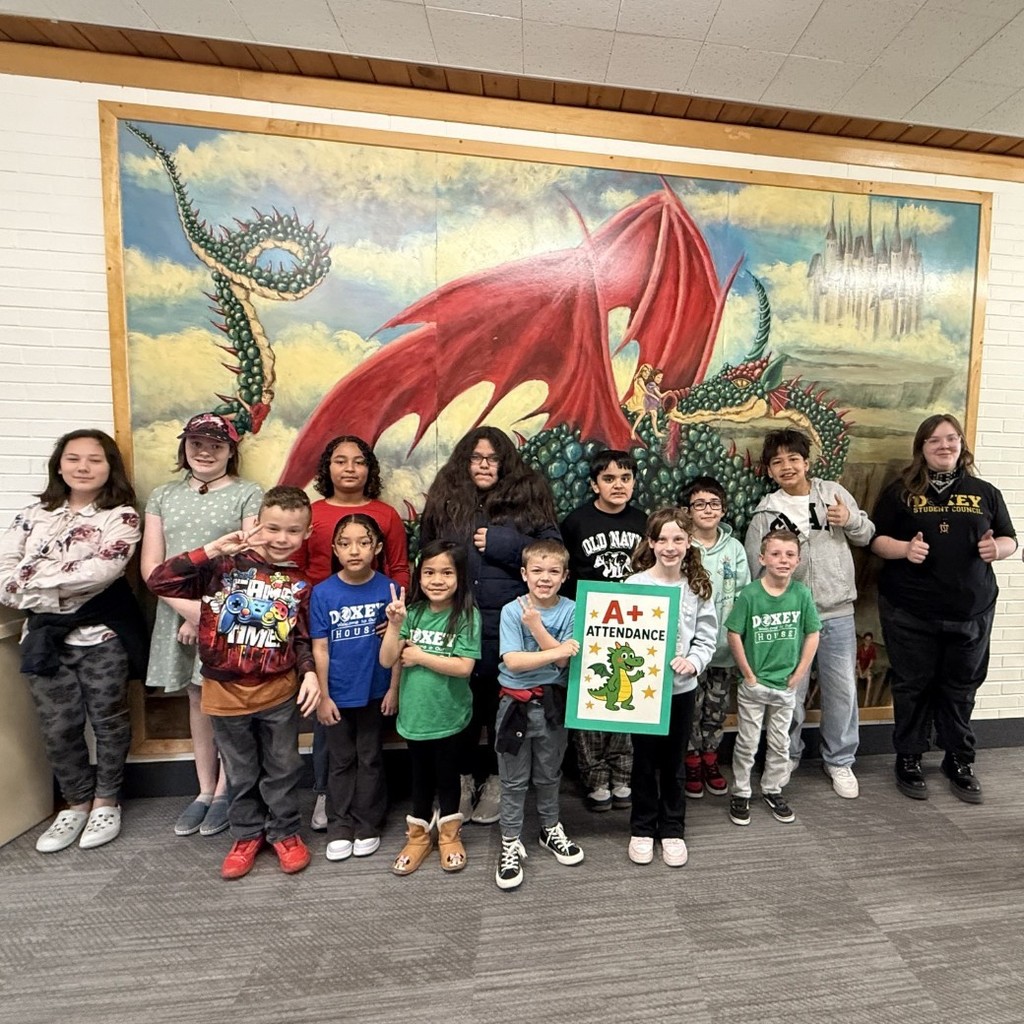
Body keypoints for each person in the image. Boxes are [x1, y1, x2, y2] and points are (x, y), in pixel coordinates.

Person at [147, 486, 321, 879]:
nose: (281, 539)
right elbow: (159, 582)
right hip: (224, 693)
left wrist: (309, 672)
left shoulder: (300, 583)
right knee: (241, 770)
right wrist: (211, 550)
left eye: (293, 531)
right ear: (257, 524)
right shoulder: (223, 568)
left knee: (283, 767)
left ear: (306, 534)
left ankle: (285, 832)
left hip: (278, 692)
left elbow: (301, 638)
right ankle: (246, 835)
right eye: (273, 528)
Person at [0, 429, 147, 853]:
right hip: (44, 637)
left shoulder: (121, 517)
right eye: (74, 458)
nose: (83, 467)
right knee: (58, 725)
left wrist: (32, 583)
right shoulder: (34, 514)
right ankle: (76, 801)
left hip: (102, 635)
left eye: (94, 459)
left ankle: (106, 800)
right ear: (59, 464)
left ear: (110, 467)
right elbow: (5, 574)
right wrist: (47, 587)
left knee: (109, 720)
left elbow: (101, 573)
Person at [870, 413, 1016, 803]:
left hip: (971, 610)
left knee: (961, 688)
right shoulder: (899, 492)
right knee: (912, 686)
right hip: (910, 609)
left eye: (951, 438)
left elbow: (1010, 539)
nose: (944, 445)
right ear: (922, 448)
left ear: (961, 444)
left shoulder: (985, 492)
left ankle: (958, 758)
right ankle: (909, 757)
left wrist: (996, 549)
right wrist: (904, 549)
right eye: (935, 440)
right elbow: (876, 541)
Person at [419, 426, 560, 826]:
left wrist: (507, 544)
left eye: (492, 458)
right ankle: (462, 781)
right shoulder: (446, 495)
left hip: (512, 624)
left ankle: (499, 781)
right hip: (457, 621)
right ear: (465, 461)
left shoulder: (529, 495)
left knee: (506, 709)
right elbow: (425, 553)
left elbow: (554, 552)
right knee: (461, 707)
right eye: (476, 458)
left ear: (505, 462)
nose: (484, 465)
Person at [140, 412, 263, 839]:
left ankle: (230, 788)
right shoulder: (162, 496)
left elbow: (248, 560)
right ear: (184, 447)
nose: (205, 451)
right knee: (196, 699)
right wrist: (187, 611)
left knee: (225, 696)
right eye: (196, 443)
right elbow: (152, 568)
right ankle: (204, 789)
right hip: (175, 610)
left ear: (231, 450)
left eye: (216, 444)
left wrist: (206, 613)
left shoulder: (248, 494)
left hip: (229, 609)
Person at [744, 428, 874, 800]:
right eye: (777, 462)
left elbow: (866, 534)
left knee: (842, 690)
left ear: (806, 461)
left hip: (836, 613)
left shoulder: (832, 492)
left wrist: (848, 518)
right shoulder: (765, 514)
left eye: (793, 459)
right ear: (769, 470)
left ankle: (840, 760)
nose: (787, 467)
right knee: (788, 693)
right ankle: (785, 756)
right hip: (790, 620)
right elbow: (756, 574)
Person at [296, 435, 409, 833]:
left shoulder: (386, 514)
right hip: (322, 624)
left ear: (369, 469)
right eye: (340, 460)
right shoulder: (314, 513)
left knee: (366, 731)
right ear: (327, 467)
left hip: (372, 629)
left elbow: (399, 568)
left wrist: (394, 613)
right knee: (331, 720)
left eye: (358, 461)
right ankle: (327, 794)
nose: (349, 468)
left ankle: (366, 810)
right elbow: (297, 567)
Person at [380, 540, 481, 875]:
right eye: (429, 572)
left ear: (460, 577)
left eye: (447, 572)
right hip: (415, 715)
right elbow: (388, 659)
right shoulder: (414, 613)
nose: (437, 579)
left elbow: (465, 667)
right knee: (420, 778)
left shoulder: (467, 615)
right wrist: (395, 626)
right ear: (418, 576)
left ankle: (450, 836)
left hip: (450, 715)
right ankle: (418, 837)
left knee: (448, 776)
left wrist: (421, 656)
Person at [624, 507, 717, 867]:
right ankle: (643, 827)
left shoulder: (697, 587)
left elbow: (707, 637)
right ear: (651, 542)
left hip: (679, 690)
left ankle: (673, 828)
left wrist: (693, 661)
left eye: (678, 539)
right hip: (643, 692)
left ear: (689, 542)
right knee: (644, 761)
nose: (670, 546)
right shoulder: (635, 586)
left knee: (674, 761)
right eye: (662, 539)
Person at [493, 539, 583, 890]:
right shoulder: (511, 610)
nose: (544, 578)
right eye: (537, 571)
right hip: (513, 707)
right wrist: (555, 647)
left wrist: (539, 631)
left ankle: (550, 829)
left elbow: (563, 661)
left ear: (564, 576)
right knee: (513, 779)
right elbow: (513, 661)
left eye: (553, 572)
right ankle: (510, 841)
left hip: (552, 705)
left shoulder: (573, 610)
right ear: (524, 574)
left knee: (549, 773)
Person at [560, 448, 646, 812]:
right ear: (594, 484)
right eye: (609, 479)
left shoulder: (644, 521)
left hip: (634, 621)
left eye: (625, 478)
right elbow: (564, 576)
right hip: (590, 620)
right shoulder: (575, 522)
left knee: (627, 699)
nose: (618, 485)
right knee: (592, 700)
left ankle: (623, 774)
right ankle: (594, 776)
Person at [310, 513, 397, 861]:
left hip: (375, 691)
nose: (354, 550)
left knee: (371, 757)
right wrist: (323, 696)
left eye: (363, 542)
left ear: (376, 546)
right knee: (341, 760)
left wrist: (394, 689)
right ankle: (339, 825)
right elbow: (320, 647)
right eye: (345, 544)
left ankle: (367, 824)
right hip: (337, 695)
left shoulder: (390, 589)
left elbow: (399, 646)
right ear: (334, 548)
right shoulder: (323, 592)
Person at [726, 531, 821, 827]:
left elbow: (813, 633)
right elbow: (734, 633)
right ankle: (741, 791)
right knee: (747, 741)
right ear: (762, 558)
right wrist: (749, 674)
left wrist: (800, 672)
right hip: (755, 686)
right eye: (776, 554)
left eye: (790, 555)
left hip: (785, 686)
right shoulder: (751, 595)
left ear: (798, 561)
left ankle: (772, 788)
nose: (783, 560)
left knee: (780, 743)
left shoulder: (802, 594)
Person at [681, 475, 751, 798]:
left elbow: (743, 596)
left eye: (714, 504)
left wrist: (739, 639)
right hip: (690, 651)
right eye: (699, 504)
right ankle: (691, 759)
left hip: (724, 649)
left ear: (723, 509)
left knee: (716, 708)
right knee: (690, 708)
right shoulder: (681, 545)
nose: (707, 510)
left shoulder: (734, 548)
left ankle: (711, 758)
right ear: (688, 510)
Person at [631, 368, 665, 439]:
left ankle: (656, 432)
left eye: (648, 373)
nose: (646, 374)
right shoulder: (641, 380)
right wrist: (656, 398)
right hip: (639, 400)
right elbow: (646, 392)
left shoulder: (645, 381)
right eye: (645, 372)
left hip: (643, 399)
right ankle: (632, 431)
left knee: (653, 413)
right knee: (643, 413)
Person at [856, 632, 878, 703]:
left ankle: (867, 700)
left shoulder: (872, 649)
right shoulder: (860, 648)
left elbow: (871, 662)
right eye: (866, 640)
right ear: (863, 640)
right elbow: (857, 661)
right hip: (859, 668)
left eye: (869, 640)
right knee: (854, 677)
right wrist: (860, 672)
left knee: (869, 678)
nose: (867, 642)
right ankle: (854, 697)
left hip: (867, 669)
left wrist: (865, 672)